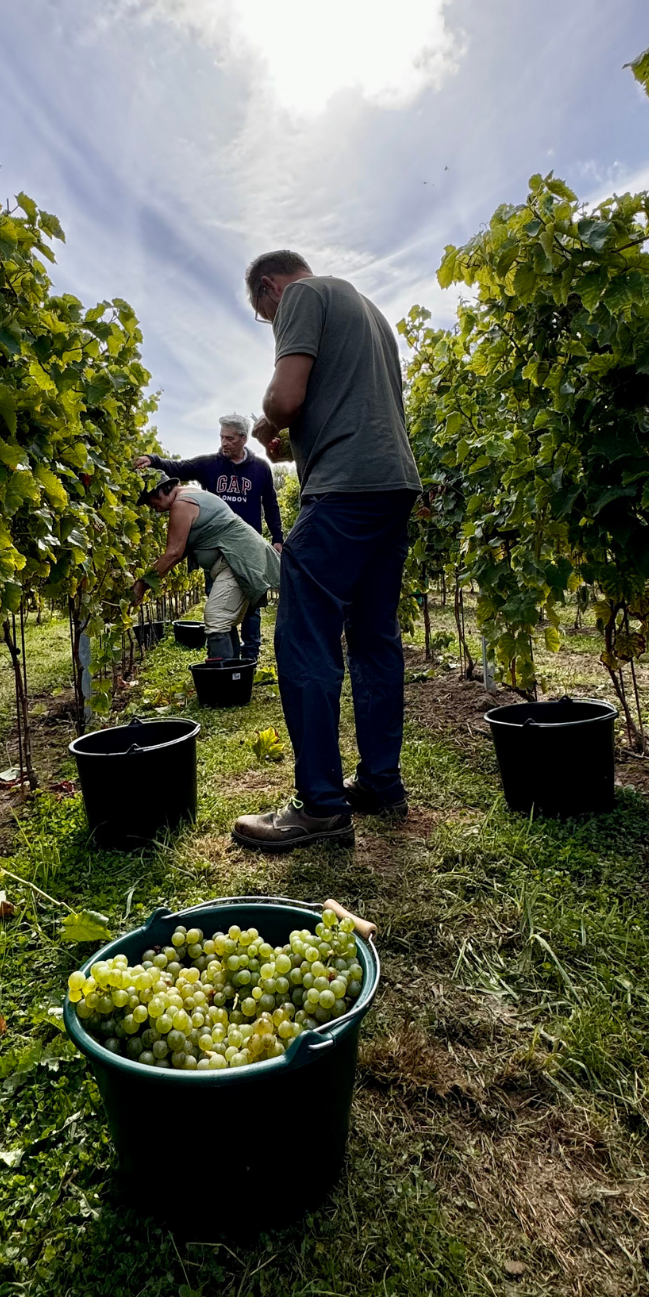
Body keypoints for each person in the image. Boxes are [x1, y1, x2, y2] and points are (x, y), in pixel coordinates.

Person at [230, 250, 420, 853]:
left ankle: (320, 807)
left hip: (342, 491)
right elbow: (345, 408)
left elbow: (285, 400)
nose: (269, 318)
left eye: (263, 312)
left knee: (304, 636)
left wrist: (266, 424)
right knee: (373, 636)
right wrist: (293, 447)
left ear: (269, 288)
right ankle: (381, 783)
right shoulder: (367, 311)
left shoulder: (303, 297)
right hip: (391, 487)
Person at [134, 414, 282, 663]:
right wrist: (154, 460)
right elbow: (180, 467)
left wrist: (142, 584)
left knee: (219, 618)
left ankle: (231, 674)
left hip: (240, 559)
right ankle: (235, 670)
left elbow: (173, 554)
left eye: (152, 500)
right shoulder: (198, 478)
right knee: (226, 616)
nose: (152, 507)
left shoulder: (182, 504)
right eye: (221, 437)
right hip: (230, 560)